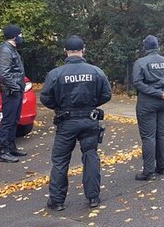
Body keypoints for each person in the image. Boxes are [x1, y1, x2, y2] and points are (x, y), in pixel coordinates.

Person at [40, 36, 112, 211]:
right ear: (83, 50)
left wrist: (59, 106)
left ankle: (57, 201)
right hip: (89, 120)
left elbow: (45, 98)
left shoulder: (56, 74)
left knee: (60, 160)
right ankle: (93, 197)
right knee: (90, 156)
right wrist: (91, 104)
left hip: (66, 121)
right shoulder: (96, 71)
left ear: (65, 51)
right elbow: (106, 94)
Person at [133, 35, 164, 181]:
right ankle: (163, 167)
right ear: (157, 46)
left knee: (149, 136)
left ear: (145, 47)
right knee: (163, 134)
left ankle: (149, 171)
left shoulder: (140, 63)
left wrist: (157, 93)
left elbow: (138, 82)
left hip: (148, 101)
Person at [0, 24, 27, 163]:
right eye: (20, 34)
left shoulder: (11, 49)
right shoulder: (5, 51)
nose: (21, 37)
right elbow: (4, 73)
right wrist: (15, 87)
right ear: (15, 36)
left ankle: (11, 147)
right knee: (8, 121)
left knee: (14, 120)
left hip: (16, 90)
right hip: (10, 91)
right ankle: (3, 152)